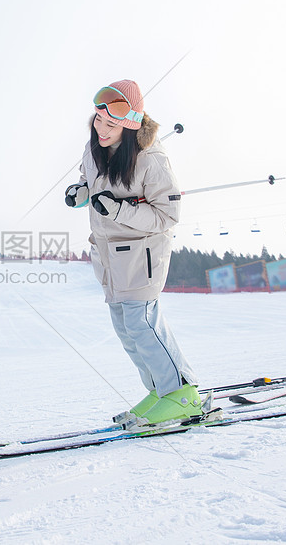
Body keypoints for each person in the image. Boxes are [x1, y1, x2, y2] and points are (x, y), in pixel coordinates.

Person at [65, 79, 201, 427]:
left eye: (111, 124)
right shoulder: (93, 148)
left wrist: (118, 211)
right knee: (126, 328)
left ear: (129, 125)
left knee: (142, 324)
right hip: (110, 257)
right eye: (98, 120)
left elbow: (168, 215)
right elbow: (90, 180)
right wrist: (81, 192)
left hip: (143, 256)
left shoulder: (150, 158)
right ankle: (160, 390)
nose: (101, 129)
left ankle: (182, 394)